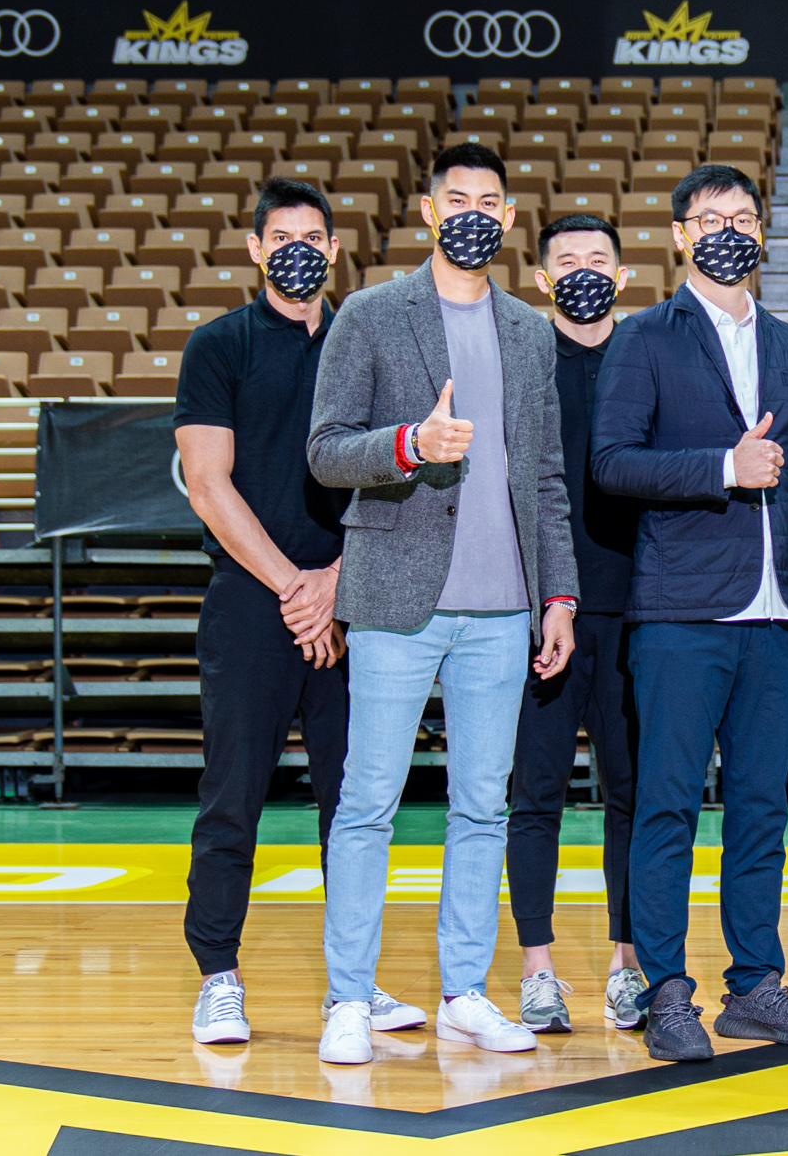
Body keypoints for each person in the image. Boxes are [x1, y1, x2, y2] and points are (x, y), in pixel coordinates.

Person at [307, 142, 578, 1065]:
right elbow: (326, 450)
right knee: (366, 804)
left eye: (488, 201)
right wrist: (411, 445)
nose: (471, 213)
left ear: (508, 217)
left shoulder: (530, 331)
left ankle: (464, 990)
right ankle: (349, 996)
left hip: (503, 609)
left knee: (482, 808)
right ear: (429, 212)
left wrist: (558, 594)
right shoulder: (370, 314)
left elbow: (546, 476)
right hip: (396, 599)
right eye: (455, 198)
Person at [591, 163, 788, 1062]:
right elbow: (611, 462)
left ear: (762, 230)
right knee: (667, 805)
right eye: (710, 219)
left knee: (758, 807)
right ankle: (667, 990)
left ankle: (754, 985)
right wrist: (721, 468)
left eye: (742, 217)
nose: (728, 232)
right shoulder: (643, 338)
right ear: (680, 235)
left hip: (779, 616)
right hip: (680, 612)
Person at [173, 177, 420, 1045]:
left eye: (313, 237)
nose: (298, 251)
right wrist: (295, 587)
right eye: (282, 237)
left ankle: (351, 982)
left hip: (355, 600)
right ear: (255, 248)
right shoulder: (219, 346)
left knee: (355, 804)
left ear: (335, 249)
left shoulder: (368, 343)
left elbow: (397, 480)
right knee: (232, 794)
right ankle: (219, 976)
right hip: (254, 601)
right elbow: (208, 483)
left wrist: (336, 584)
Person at [505, 213, 646, 1034]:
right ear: (542, 278)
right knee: (537, 793)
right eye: (567, 260)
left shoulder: (651, 353)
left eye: (599, 259)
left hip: (639, 613)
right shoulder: (520, 359)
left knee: (634, 793)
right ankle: (538, 970)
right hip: (542, 613)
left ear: (623, 277)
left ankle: (629, 964)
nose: (584, 272)